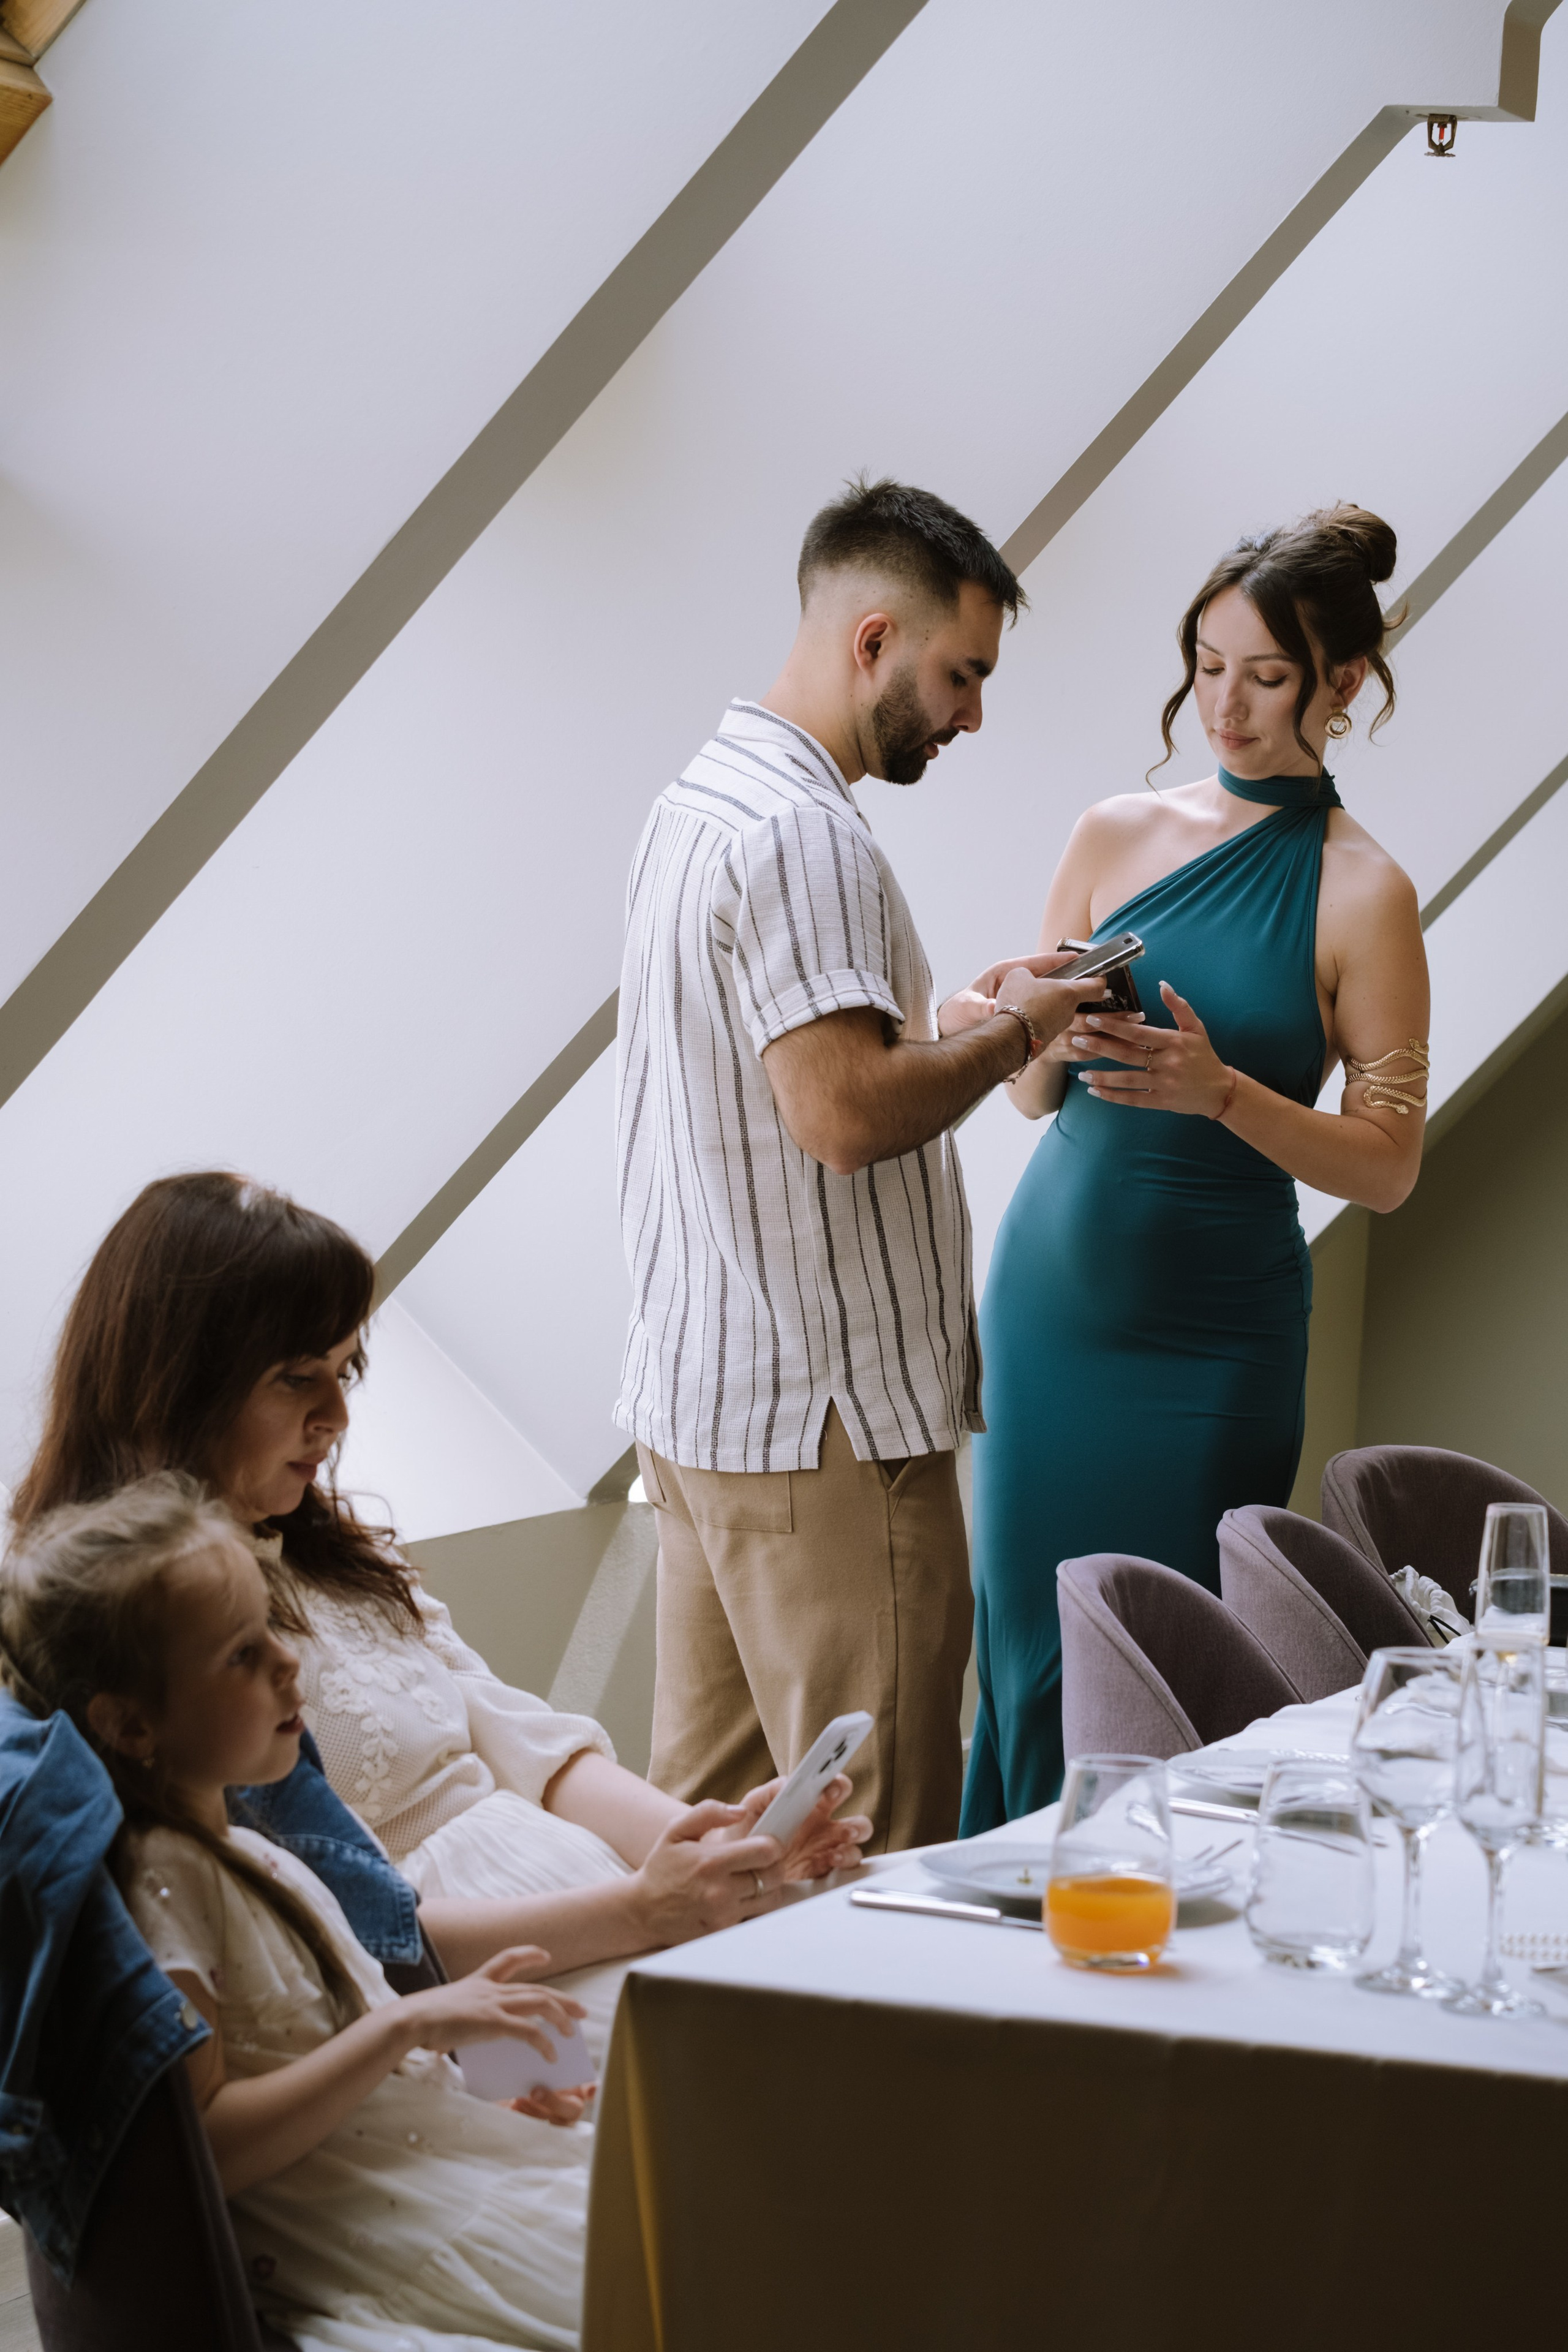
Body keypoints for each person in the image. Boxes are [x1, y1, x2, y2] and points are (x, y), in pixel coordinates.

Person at [9, 1172, 868, 2071]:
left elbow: (522, 1739)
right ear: (176, 1382)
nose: (337, 1419)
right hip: (469, 1984)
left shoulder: (319, 1552)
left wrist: (708, 1846)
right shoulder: (140, 1644)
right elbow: (332, 1936)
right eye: (299, 1379)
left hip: (587, 1900)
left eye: (345, 1373)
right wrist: (643, 1908)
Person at [614, 475, 1101, 1853]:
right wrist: (1020, 1029)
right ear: (873, 640)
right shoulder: (803, 833)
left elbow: (771, 1076)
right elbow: (838, 1116)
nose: (970, 716)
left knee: (704, 1847)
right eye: (960, 675)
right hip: (828, 1431)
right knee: (875, 1858)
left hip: (707, 1407)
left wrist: (934, 1027)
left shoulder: (695, 805)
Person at [949, 503, 1430, 1831]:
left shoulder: (1362, 894)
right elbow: (1033, 1088)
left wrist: (1223, 1094)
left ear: (1339, 683)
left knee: (1162, 1679)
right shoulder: (1111, 833)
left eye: (1263, 675)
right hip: (1052, 1311)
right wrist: (1000, 1014)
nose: (1222, 703)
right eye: (1206, 664)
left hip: (1216, 1344)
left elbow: (1386, 1167)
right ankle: (994, 1989)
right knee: (1025, 1665)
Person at [1, 1475, 598, 2350]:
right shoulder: (165, 1876)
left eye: (273, 1629)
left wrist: (483, 2102)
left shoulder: (253, 1846)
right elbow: (205, 2148)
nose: (289, 1662)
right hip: (386, 2247)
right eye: (242, 1654)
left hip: (425, 2181)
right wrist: (408, 2028)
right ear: (131, 1726)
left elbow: (349, 2089)